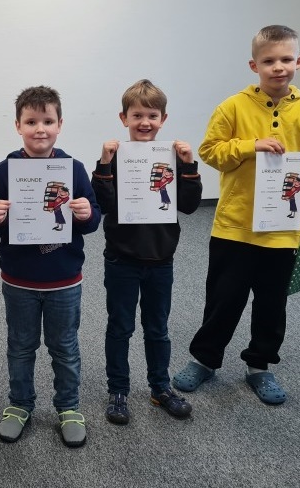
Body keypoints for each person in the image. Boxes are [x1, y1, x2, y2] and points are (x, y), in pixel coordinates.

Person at [172, 25, 300, 405]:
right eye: (269, 60)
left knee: (273, 305)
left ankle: (259, 365)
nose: (279, 67)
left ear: (299, 62)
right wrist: (250, 146)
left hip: (283, 231)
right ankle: (205, 359)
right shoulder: (233, 106)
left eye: (286, 59)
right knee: (223, 300)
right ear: (254, 65)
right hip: (234, 228)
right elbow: (210, 151)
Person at [0, 86, 100, 447]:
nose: (40, 129)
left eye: (48, 121)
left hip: (64, 280)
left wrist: (86, 213)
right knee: (20, 346)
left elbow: (93, 220)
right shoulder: (4, 172)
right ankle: (20, 404)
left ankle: (69, 406)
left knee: (65, 347)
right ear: (18, 126)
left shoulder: (74, 169)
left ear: (60, 124)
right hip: (19, 280)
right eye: (31, 122)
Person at [91, 79, 202, 425]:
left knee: (158, 328)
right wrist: (104, 163)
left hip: (160, 261)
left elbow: (189, 205)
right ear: (123, 118)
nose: (144, 122)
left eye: (152, 116)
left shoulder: (172, 158)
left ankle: (160, 387)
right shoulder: (115, 158)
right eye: (137, 115)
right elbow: (103, 204)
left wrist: (189, 165)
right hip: (121, 260)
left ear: (163, 119)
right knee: (120, 327)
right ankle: (118, 390)